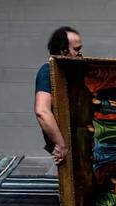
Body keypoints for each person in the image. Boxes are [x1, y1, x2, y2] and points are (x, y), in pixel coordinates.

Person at [35, 26, 83, 165]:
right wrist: (61, 144)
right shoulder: (47, 72)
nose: (80, 53)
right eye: (76, 49)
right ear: (63, 51)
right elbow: (42, 111)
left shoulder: (73, 69)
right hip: (66, 137)